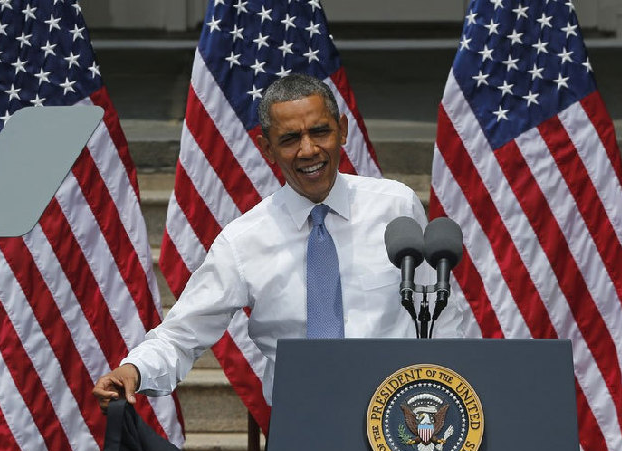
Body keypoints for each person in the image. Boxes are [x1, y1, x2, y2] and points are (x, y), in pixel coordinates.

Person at [93, 73, 468, 410]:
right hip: (305, 425)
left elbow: (439, 310)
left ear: (342, 130)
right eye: (290, 139)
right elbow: (181, 333)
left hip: (403, 416)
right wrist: (135, 370)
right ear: (267, 149)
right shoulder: (244, 241)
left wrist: (458, 392)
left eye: (320, 132)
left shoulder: (395, 205)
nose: (308, 150)